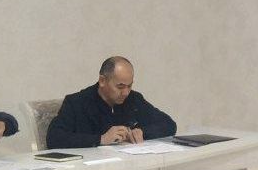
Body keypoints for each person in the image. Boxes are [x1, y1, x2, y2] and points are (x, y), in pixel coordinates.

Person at [45, 56, 177, 148]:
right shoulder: (77, 103)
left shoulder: (133, 99)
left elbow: (169, 124)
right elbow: (54, 138)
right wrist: (101, 139)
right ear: (102, 81)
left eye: (129, 86)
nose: (125, 92)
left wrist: (142, 132)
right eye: (120, 86)